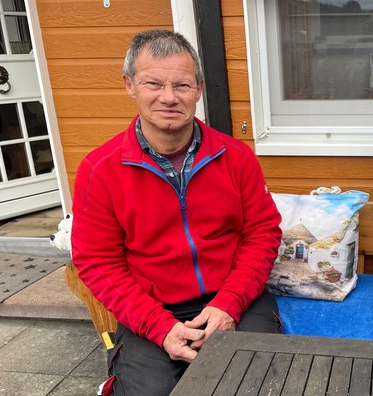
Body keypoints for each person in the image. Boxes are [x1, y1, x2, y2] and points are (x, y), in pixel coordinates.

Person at [71, 29, 283, 395]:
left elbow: (263, 234)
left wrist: (229, 305)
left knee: (256, 385)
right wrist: (159, 325)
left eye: (182, 86)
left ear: (199, 89)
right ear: (130, 86)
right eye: (153, 83)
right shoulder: (99, 170)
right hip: (150, 307)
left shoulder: (236, 157)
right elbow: (97, 262)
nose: (169, 97)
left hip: (235, 297)